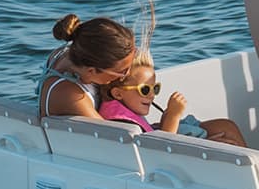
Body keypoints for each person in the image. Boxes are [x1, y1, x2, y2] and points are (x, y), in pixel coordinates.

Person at [42, 14, 246, 146]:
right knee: (229, 143)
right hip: (119, 159)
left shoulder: (72, 54)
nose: (126, 74)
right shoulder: (71, 95)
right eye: (122, 71)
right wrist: (200, 145)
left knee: (225, 127)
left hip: (135, 139)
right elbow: (118, 146)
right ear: (92, 71)